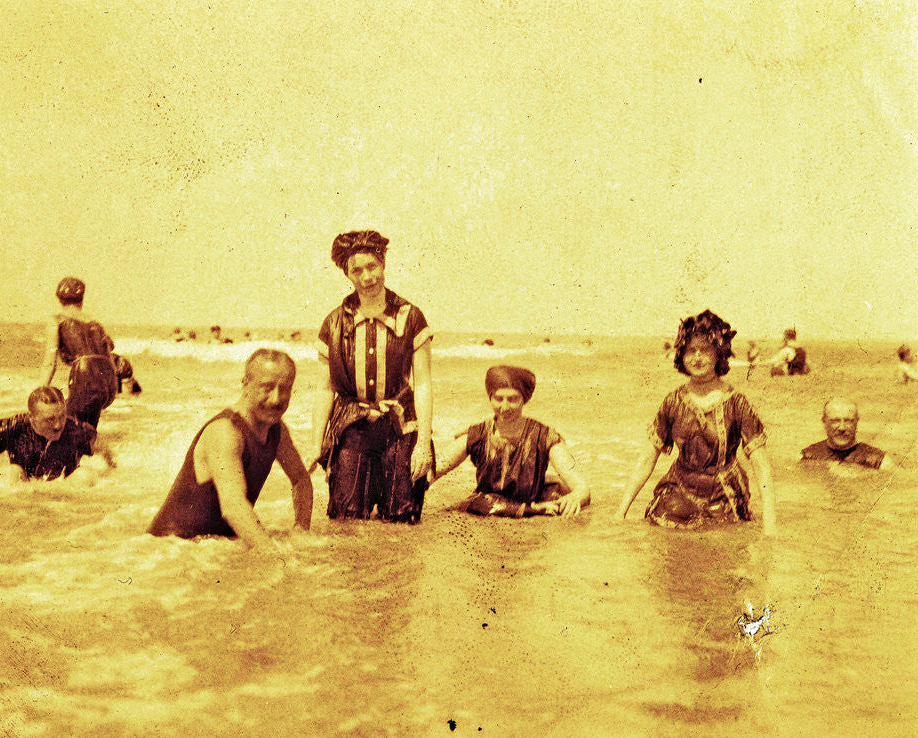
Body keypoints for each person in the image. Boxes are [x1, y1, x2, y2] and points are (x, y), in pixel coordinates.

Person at [309, 230, 433, 523]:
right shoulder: (334, 323)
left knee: (403, 521)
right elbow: (325, 389)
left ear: (383, 264)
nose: (367, 277)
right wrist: (316, 443)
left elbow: (424, 384)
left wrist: (424, 444)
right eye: (357, 270)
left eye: (372, 266)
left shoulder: (412, 317)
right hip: (352, 427)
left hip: (401, 427)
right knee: (346, 521)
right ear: (347, 274)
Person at [615, 310, 776, 535]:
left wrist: (770, 527)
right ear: (681, 355)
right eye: (691, 350)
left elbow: (761, 467)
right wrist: (619, 514)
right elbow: (647, 459)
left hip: (724, 493)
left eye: (705, 350)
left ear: (719, 353)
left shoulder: (737, 403)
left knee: (722, 541)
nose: (697, 357)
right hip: (680, 487)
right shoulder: (673, 401)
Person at [148, 349, 312, 553]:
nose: (276, 399)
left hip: (210, 548)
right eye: (267, 387)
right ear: (245, 384)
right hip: (170, 550)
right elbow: (233, 507)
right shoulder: (226, 431)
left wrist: (301, 531)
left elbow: (300, 480)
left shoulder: (276, 430)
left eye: (285, 388)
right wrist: (274, 555)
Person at [433, 366, 589, 517]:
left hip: (533, 505)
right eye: (498, 399)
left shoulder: (545, 436)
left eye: (513, 399)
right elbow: (434, 469)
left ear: (524, 400)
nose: (505, 407)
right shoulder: (477, 434)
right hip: (490, 506)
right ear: (490, 397)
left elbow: (581, 488)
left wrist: (575, 498)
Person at [39, 277, 117, 429]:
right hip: (109, 380)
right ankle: (107, 453)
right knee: (87, 432)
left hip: (85, 375)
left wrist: (39, 393)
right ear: (81, 298)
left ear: (59, 298)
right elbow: (110, 348)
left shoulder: (56, 320)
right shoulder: (95, 323)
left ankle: (104, 453)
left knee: (66, 429)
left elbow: (49, 363)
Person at [800, 397, 892, 469]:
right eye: (835, 421)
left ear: (857, 422)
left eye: (848, 421)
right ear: (824, 422)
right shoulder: (807, 456)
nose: (842, 428)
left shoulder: (879, 461)